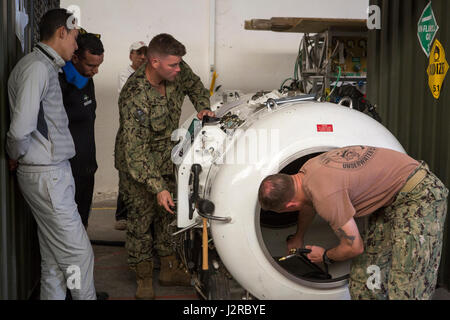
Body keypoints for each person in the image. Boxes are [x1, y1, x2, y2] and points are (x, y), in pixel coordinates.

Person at [258, 145, 448, 300]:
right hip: (390, 200)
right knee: (362, 282)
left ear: (290, 205)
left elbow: (354, 247)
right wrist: (298, 237)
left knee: (406, 287)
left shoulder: (326, 197)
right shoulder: (306, 172)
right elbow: (308, 204)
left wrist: (324, 255)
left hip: (419, 195)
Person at [114, 33, 214, 300]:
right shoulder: (134, 94)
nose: (178, 69)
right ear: (154, 62)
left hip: (167, 157)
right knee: (140, 220)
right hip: (138, 165)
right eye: (173, 65)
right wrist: (157, 187)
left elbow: (195, 86)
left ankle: (168, 268)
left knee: (168, 215)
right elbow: (135, 151)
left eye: (179, 64)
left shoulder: (176, 71)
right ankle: (143, 277)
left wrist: (203, 107)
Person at [6, 9, 96, 300]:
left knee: (56, 262)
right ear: (61, 32)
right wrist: (14, 154)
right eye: (74, 37)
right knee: (79, 257)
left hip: (51, 173)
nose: (76, 44)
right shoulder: (36, 69)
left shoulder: (45, 67)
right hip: (47, 176)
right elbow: (20, 130)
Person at [59, 31, 104, 229]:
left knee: (82, 224)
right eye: (91, 65)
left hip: (86, 167)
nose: (95, 71)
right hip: (66, 170)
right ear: (75, 57)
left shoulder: (87, 79)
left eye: (99, 66)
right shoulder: (58, 83)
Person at [114, 41, 148, 231]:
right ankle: (121, 215)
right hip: (129, 133)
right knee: (126, 173)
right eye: (138, 53)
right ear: (131, 55)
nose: (142, 57)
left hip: (145, 134)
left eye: (145, 53)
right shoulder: (126, 74)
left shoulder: (149, 75)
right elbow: (129, 100)